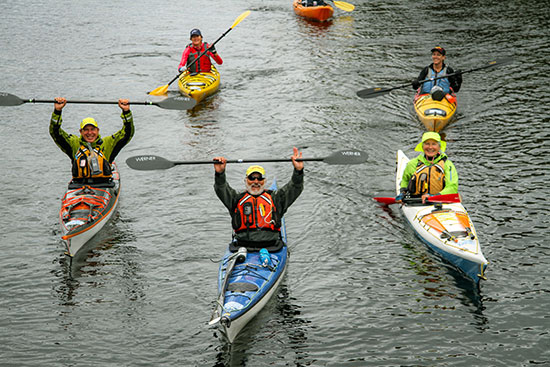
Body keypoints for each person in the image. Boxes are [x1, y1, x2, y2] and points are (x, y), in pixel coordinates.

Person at [213, 147, 304, 252]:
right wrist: (219, 174)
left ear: (264, 181)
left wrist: (298, 171)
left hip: (271, 248)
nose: (255, 182)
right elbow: (221, 187)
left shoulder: (276, 199)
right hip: (242, 247)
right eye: (252, 178)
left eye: (259, 178)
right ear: (246, 181)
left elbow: (295, 187)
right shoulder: (235, 199)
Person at [50, 97, 134, 187]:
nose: (89, 133)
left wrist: (126, 112)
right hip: (79, 186)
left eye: (92, 129)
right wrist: (57, 111)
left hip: (104, 186)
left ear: (98, 130)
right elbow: (56, 133)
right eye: (86, 130)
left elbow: (127, 133)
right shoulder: (74, 143)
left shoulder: (108, 143)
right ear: (80, 132)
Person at [396, 132, 458, 204]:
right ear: (422, 146)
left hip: (440, 200)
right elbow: (405, 181)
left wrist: (434, 196)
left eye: (434, 144)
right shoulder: (412, 164)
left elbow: (453, 187)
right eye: (427, 144)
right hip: (415, 202)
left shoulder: (448, 165)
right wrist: (402, 192)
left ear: (439, 147)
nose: (430, 147)